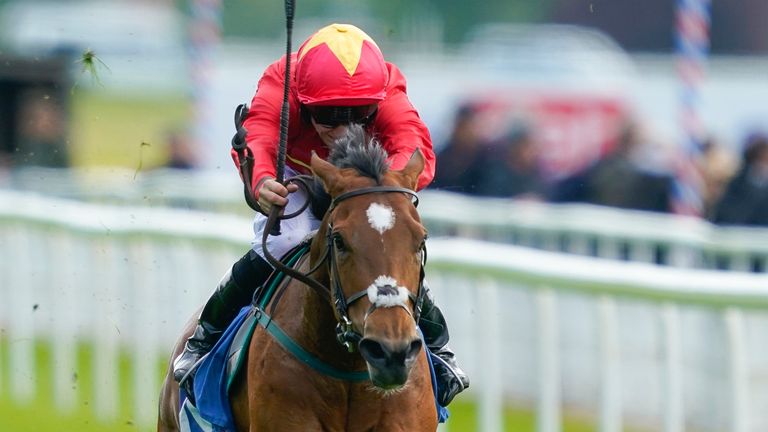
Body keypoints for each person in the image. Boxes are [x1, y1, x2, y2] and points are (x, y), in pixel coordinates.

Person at [172, 23, 469, 406]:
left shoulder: (387, 85)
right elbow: (259, 134)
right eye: (329, 116)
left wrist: (383, 187)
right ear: (305, 101)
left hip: (367, 178)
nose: (344, 129)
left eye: (359, 114)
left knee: (386, 250)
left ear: (375, 102)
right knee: (286, 243)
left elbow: (413, 146)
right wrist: (263, 181)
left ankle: (440, 352)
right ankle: (204, 339)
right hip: (299, 175)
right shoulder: (282, 82)